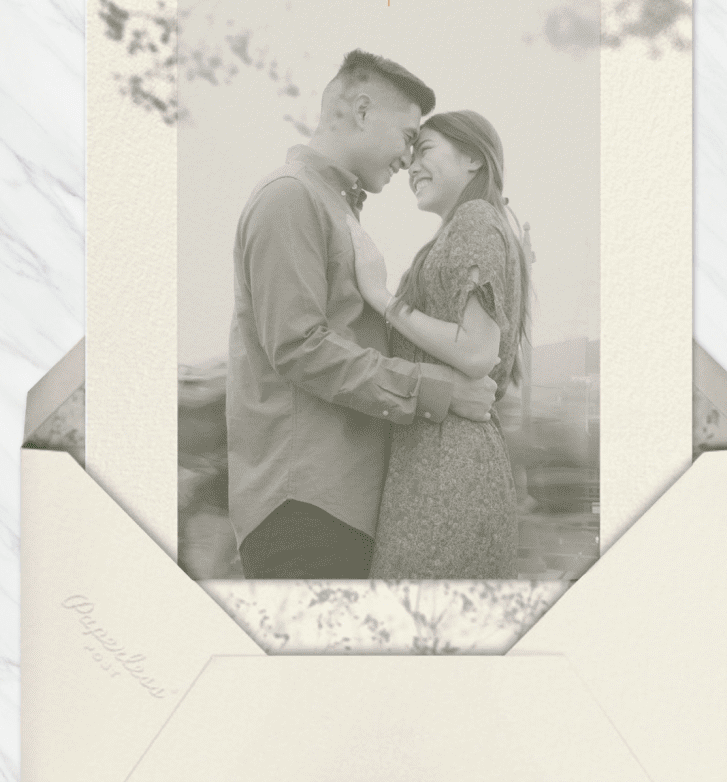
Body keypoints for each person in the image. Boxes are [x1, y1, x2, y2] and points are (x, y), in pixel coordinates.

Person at [227, 50, 499, 580]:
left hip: (335, 512)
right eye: (406, 136)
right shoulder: (290, 198)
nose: (407, 158)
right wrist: (436, 389)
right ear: (361, 110)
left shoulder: (334, 209)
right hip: (302, 510)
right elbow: (299, 347)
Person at [349, 110, 529, 579]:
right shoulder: (469, 228)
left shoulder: (474, 220)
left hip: (449, 471)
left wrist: (381, 297)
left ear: (472, 158)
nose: (411, 167)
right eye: (409, 158)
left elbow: (476, 352)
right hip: (438, 464)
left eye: (425, 151)